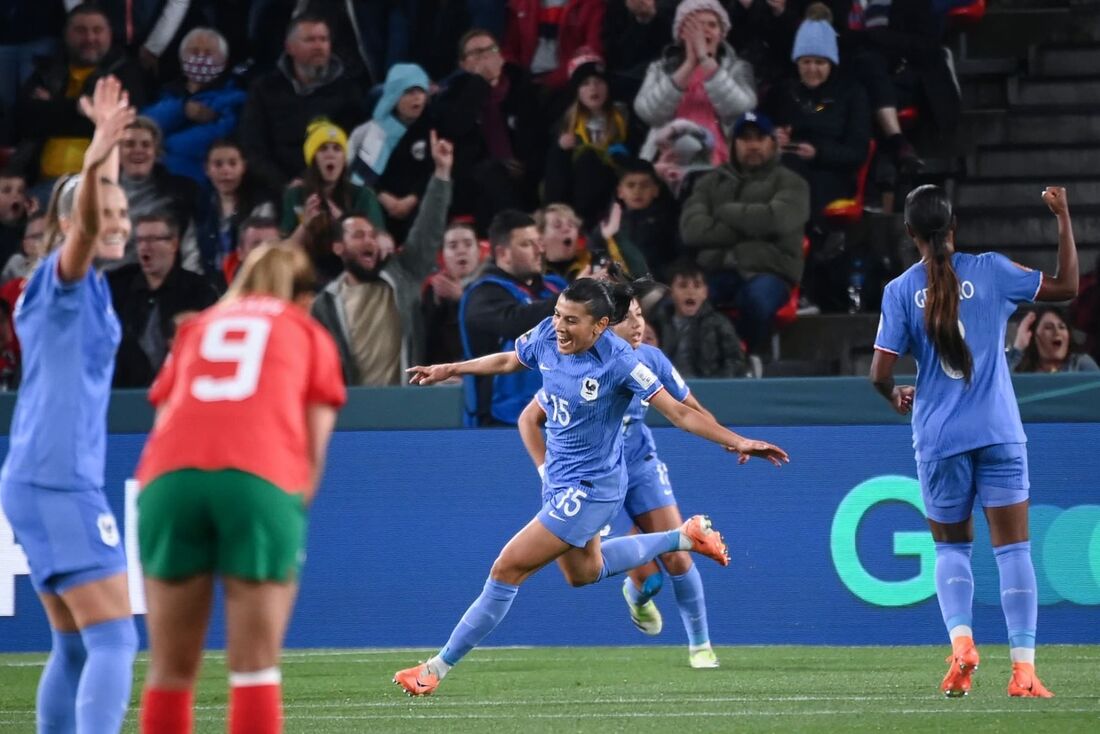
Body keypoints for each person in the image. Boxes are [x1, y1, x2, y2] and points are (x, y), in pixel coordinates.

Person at [394, 277, 789, 695]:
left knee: (507, 569)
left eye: (572, 321)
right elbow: (511, 360)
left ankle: (435, 669)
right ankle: (683, 537)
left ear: (600, 325)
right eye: (559, 316)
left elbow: (679, 413)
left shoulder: (620, 362)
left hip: (592, 488)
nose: (560, 327)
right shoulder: (549, 333)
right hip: (562, 482)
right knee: (583, 574)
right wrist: (450, 369)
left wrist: (738, 440)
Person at [869, 184, 1079, 699]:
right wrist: (1063, 216)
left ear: (910, 233)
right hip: (999, 432)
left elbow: (879, 372)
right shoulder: (991, 270)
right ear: (953, 226)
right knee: (1014, 552)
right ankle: (1024, 670)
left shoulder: (899, 291)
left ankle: (962, 645)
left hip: (940, 438)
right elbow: (1068, 285)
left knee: (952, 549)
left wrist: (895, 393)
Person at [134, 243, 346, 733]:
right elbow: (312, 450)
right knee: (254, 668)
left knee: (168, 671)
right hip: (257, 478)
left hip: (169, 479)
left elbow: (165, 415)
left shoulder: (197, 327)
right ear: (305, 295)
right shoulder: (309, 333)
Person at [0, 76, 138, 734]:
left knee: (78, 644)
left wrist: (102, 145)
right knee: (114, 641)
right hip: (57, 482)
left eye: (124, 214)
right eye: (102, 214)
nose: (116, 222)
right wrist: (92, 163)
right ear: (61, 224)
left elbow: (92, 208)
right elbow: (84, 221)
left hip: (43, 478)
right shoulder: (61, 277)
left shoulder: (77, 288)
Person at [517, 293, 724, 668]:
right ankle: (638, 593)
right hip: (594, 479)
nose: (639, 325)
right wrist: (547, 473)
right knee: (643, 579)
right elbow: (529, 419)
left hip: (639, 464)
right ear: (605, 327)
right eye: (628, 319)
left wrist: (731, 441)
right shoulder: (579, 365)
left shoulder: (652, 360)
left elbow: (688, 409)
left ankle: (700, 646)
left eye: (641, 315)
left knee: (677, 554)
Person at [310, 131, 454, 385]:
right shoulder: (324, 304)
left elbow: (427, 231)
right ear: (338, 247)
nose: (368, 240)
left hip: (405, 405)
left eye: (371, 234)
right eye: (357, 235)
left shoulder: (402, 275)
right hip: (354, 415)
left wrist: (441, 173)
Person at [680, 110, 810, 352]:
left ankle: (754, 363)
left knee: (755, 300)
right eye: (745, 139)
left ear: (772, 143)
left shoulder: (792, 182)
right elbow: (692, 230)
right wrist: (752, 227)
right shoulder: (709, 183)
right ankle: (696, 366)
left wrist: (726, 211)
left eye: (760, 139)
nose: (753, 145)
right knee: (686, 300)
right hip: (717, 270)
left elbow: (777, 220)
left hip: (771, 271)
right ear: (732, 144)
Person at [12, 4, 147, 195]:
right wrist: (80, 109)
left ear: (110, 34)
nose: (90, 38)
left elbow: (124, 126)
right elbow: (26, 120)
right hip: (42, 185)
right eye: (81, 31)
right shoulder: (46, 69)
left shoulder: (125, 73)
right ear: (66, 34)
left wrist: (53, 108)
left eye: (97, 31)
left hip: (101, 186)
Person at [237, 13, 369, 194]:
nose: (319, 46)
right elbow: (253, 147)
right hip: (276, 189)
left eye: (323, 39)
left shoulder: (348, 90)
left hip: (334, 189)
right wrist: (285, 185)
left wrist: (330, 185)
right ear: (290, 47)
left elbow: (357, 145)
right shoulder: (264, 89)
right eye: (310, 40)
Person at [458, 209, 565, 426]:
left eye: (539, 242)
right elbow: (515, 323)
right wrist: (573, 298)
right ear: (503, 253)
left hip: (559, 416)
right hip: (500, 425)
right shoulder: (483, 295)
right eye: (527, 244)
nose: (539, 251)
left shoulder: (555, 286)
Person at [763, 4, 871, 219]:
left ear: (831, 63)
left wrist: (818, 152)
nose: (812, 69)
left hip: (831, 174)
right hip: (785, 169)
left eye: (820, 62)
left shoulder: (851, 93)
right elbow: (756, 131)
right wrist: (772, 136)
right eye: (806, 62)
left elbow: (858, 152)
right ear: (797, 62)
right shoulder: (782, 92)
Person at [634, 0, 757, 167]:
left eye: (712, 25)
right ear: (681, 33)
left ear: (721, 34)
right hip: (668, 158)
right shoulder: (661, 68)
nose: (704, 31)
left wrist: (706, 62)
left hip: (722, 160)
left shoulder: (737, 67)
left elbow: (742, 109)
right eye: (696, 26)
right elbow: (648, 112)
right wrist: (689, 65)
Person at [108, 213, 220, 387]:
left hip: (179, 390)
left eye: (153, 239)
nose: (145, 247)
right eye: (141, 240)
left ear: (174, 244)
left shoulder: (199, 292)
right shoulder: (118, 288)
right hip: (124, 394)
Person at [282, 118, 384, 284]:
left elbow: (376, 246)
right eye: (323, 149)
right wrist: (305, 225)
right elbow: (283, 254)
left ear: (344, 158)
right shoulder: (295, 195)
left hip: (351, 276)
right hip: (305, 276)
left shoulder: (363, 195)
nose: (330, 154)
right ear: (313, 158)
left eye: (337, 149)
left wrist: (343, 223)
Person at [141, 27, 247, 185]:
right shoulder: (167, 91)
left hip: (200, 182)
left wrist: (163, 146)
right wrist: (182, 110)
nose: (201, 57)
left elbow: (212, 136)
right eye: (194, 51)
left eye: (209, 52)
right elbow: (144, 123)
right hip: (157, 183)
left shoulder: (234, 97)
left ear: (224, 61)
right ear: (182, 57)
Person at [347, 63, 434, 244]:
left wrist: (412, 199)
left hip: (416, 203)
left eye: (420, 92)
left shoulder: (431, 128)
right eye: (409, 92)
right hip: (381, 203)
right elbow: (362, 175)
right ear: (394, 95)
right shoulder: (375, 130)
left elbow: (432, 171)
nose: (416, 98)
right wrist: (385, 199)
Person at [195, 139, 278, 286]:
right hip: (210, 287)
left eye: (233, 163)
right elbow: (193, 258)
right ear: (207, 169)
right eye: (218, 164)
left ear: (243, 166)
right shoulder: (200, 208)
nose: (226, 170)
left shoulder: (261, 206)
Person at [650, 260, 748, 377]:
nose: (690, 292)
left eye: (697, 286)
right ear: (670, 293)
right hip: (667, 389)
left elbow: (735, 360)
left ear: (705, 292)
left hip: (708, 388)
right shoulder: (657, 323)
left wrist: (717, 384)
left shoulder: (718, 323)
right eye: (683, 286)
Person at [421, 221, 486, 365]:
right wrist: (436, 306)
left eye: (468, 244)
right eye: (453, 246)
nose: (461, 251)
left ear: (479, 252)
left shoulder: (492, 285)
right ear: (442, 255)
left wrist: (462, 299)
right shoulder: (433, 291)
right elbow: (426, 343)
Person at [1008, 308, 1099, 373]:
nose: (1057, 332)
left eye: (1062, 327)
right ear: (1034, 336)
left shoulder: (1079, 363)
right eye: (1048, 327)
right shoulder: (1022, 369)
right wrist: (1018, 347)